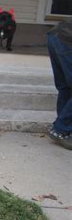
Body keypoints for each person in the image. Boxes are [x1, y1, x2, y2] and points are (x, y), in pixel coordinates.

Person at [46, 18, 72, 150]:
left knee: (65, 87)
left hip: (55, 35)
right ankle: (61, 129)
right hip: (68, 39)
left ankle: (64, 131)